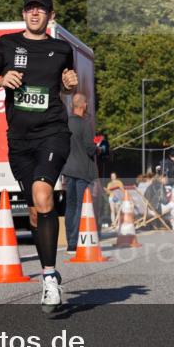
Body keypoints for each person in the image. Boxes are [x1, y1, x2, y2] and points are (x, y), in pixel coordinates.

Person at [0, 0, 78, 313]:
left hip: (52, 133)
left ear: (51, 15)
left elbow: (66, 86)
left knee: (43, 195)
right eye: (30, 9)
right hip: (19, 141)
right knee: (36, 208)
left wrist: (71, 85)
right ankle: (51, 267)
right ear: (24, 14)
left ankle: (49, 279)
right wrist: (0, 81)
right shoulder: (7, 44)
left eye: (41, 10)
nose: (35, 14)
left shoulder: (61, 48)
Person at [61, 93, 97, 254]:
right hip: (82, 171)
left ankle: (70, 242)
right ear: (83, 105)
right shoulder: (85, 124)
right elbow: (90, 148)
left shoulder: (65, 123)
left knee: (70, 206)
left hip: (68, 170)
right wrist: (98, 148)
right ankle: (76, 242)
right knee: (80, 207)